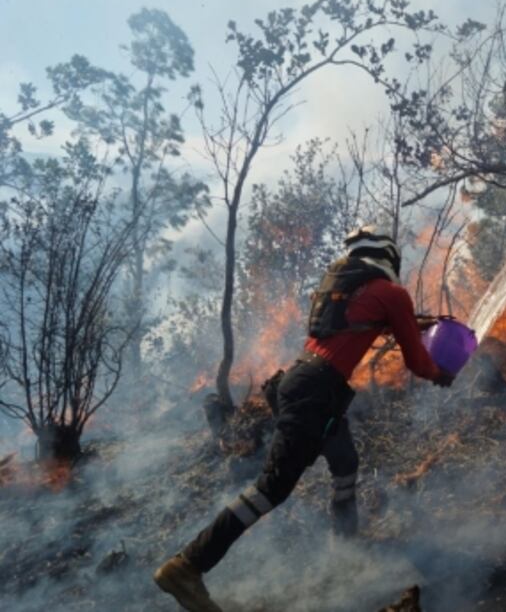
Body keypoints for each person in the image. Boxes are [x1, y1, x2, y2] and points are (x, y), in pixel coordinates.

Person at [154, 226, 453, 612]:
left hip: (305, 384)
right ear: (389, 258)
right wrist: (440, 373)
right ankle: (187, 565)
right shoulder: (391, 292)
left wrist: (415, 324)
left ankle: (344, 544)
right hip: (315, 391)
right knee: (271, 488)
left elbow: (365, 328)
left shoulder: (349, 289)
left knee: (345, 461)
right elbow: (416, 361)